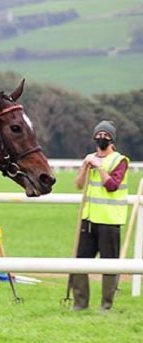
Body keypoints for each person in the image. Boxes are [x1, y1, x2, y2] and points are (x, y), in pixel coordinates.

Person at [70, 120, 129, 311]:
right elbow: (78, 185)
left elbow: (112, 186)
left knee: (109, 265)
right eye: (99, 134)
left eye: (106, 135)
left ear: (112, 139)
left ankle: (106, 305)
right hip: (88, 220)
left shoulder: (120, 160)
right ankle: (80, 304)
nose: (102, 137)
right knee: (80, 262)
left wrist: (100, 167)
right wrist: (84, 167)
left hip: (109, 220)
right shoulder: (89, 158)